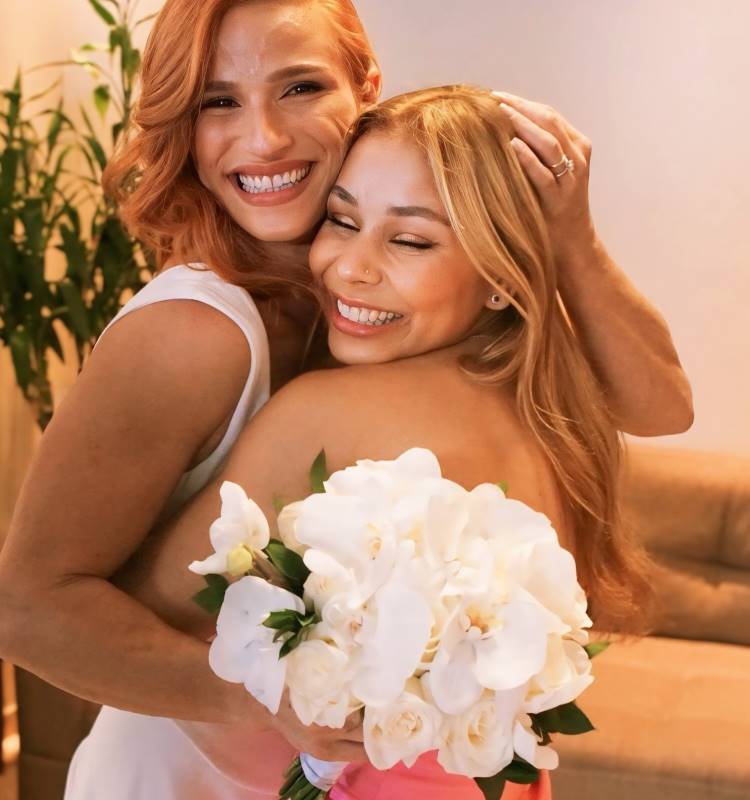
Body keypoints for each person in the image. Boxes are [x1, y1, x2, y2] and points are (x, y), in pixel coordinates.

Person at [0, 0, 692, 796]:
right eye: (216, 100)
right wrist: (276, 693)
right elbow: (38, 607)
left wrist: (568, 238)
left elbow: (661, 406)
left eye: (299, 87)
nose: (262, 137)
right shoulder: (199, 333)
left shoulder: (436, 334)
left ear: (364, 89)